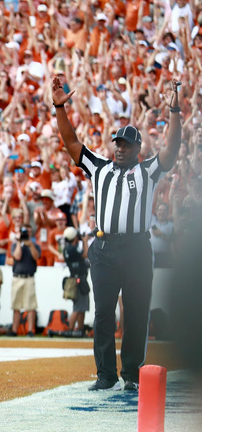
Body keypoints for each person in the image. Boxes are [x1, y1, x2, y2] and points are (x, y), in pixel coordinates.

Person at [52, 78, 183, 391]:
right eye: (117, 144)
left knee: (137, 313)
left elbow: (172, 148)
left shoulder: (148, 169)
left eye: (126, 144)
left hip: (137, 249)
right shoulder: (100, 167)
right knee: (103, 313)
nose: (120, 148)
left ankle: (132, 375)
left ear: (138, 149)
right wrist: (60, 108)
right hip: (105, 248)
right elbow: (72, 144)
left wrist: (174, 111)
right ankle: (106, 374)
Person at [10, 226, 41, 337]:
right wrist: (19, 241)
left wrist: (31, 244)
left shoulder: (35, 245)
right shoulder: (15, 245)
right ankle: (14, 330)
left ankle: (30, 330)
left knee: (30, 306)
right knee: (16, 305)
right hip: (17, 277)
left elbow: (36, 256)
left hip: (29, 277)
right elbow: (17, 256)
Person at [61, 227, 90, 337]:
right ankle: (71, 329)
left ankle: (80, 330)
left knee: (81, 307)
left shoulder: (67, 249)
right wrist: (85, 241)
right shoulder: (73, 249)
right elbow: (86, 254)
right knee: (78, 308)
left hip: (75, 279)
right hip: (79, 280)